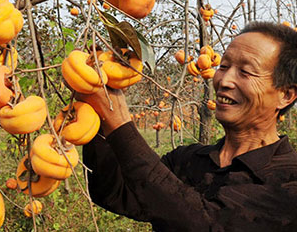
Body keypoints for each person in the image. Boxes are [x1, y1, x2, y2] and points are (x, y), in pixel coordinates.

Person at [77, 21, 297, 231]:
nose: (224, 81)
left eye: (246, 72)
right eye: (224, 66)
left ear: (285, 95)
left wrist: (118, 122)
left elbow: (205, 225)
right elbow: (115, 192)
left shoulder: (289, 180)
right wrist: (97, 108)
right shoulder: (189, 160)